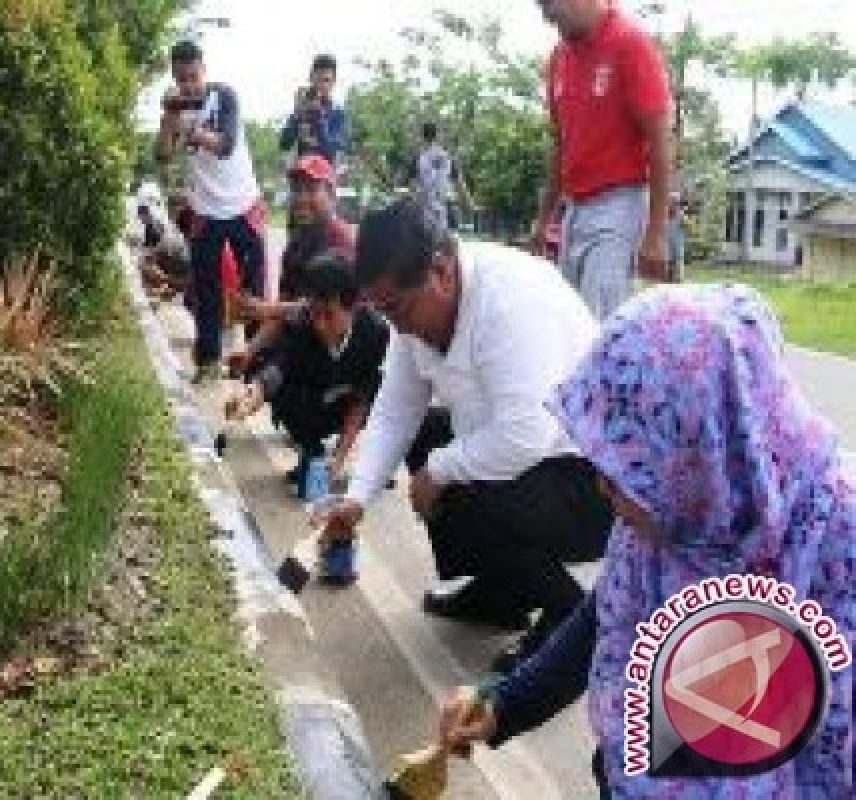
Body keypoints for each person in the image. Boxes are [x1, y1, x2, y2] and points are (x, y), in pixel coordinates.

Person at [437, 284, 855, 799]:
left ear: (706, 444)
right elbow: (604, 615)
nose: (605, 487)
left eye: (630, 470)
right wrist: (505, 705)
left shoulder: (831, 546)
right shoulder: (682, 509)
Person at [318, 201, 614, 671]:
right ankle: (503, 594)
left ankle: (568, 618)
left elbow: (525, 435)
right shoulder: (414, 309)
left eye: (397, 308)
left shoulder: (507, 300)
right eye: (383, 311)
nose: (396, 325)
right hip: (539, 464)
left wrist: (440, 469)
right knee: (430, 440)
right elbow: (396, 409)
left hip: (597, 484)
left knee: (463, 474)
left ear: (440, 270)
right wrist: (356, 499)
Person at [530, 0, 674, 318]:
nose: (547, 16)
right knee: (569, 321)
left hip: (617, 207)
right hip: (574, 210)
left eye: (551, 5)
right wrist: (543, 221)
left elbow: (661, 141)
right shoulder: (558, 58)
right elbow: (560, 144)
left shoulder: (630, 44)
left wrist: (656, 234)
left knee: (598, 324)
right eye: (541, 7)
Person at [226, 254, 389, 485]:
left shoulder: (376, 334)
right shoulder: (304, 325)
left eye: (329, 315)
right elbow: (280, 368)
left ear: (354, 307)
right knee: (287, 395)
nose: (320, 325)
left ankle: (382, 463)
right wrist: (253, 394)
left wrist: (340, 457)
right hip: (318, 396)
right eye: (314, 313)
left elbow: (361, 400)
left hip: (348, 399)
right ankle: (312, 450)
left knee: (384, 395)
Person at [157, 40, 265, 383]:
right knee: (206, 289)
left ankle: (254, 361)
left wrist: (192, 131)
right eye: (180, 78)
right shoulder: (176, 107)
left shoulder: (225, 96)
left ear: (204, 68)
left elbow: (226, 145)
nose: (188, 84)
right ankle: (208, 361)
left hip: (243, 202)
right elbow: (162, 155)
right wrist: (168, 121)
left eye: (192, 76)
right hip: (205, 209)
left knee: (253, 286)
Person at [229, 154, 355, 376]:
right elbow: (284, 308)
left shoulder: (341, 239)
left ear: (331, 194)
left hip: (340, 354)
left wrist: (267, 309)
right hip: (303, 348)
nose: (301, 198)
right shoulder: (296, 245)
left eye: (311, 189)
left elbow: (330, 309)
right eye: (297, 190)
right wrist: (249, 351)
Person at [279, 54, 349, 167]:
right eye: (317, 80)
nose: (321, 85)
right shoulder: (302, 109)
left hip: (325, 176)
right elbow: (284, 145)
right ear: (311, 78)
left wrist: (319, 118)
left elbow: (331, 152)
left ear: (333, 82)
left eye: (326, 80)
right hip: (301, 174)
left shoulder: (338, 113)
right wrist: (296, 116)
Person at [414, 122, 475, 236]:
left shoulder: (418, 159)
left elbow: (409, 187)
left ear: (422, 137)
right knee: (452, 243)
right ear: (437, 137)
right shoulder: (447, 158)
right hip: (447, 206)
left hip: (423, 209)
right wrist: (470, 204)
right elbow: (460, 184)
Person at [136, 203, 190, 296]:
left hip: (177, 267)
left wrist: (164, 278)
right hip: (175, 266)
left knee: (145, 265)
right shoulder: (169, 238)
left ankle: (160, 287)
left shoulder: (156, 228)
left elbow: (150, 256)